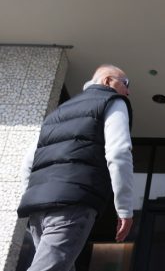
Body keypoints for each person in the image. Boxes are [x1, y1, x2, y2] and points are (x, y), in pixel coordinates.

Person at [17, 64, 134, 271]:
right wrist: (124, 208)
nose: (128, 91)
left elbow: (28, 162)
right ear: (107, 81)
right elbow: (119, 152)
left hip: (38, 208)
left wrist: (32, 198)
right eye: (125, 84)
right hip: (72, 205)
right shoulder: (112, 101)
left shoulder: (59, 112)